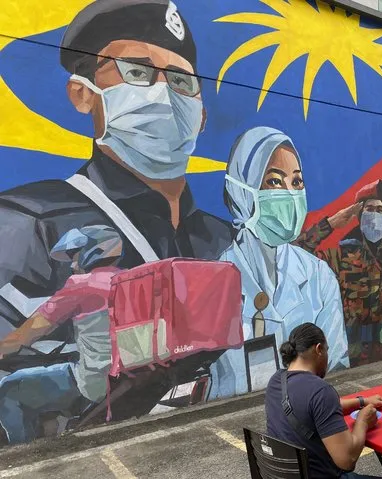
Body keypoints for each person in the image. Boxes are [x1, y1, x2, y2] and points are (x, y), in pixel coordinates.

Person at [0, 0, 233, 339]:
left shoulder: (225, 240)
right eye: (136, 72)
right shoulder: (29, 224)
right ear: (82, 94)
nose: (163, 94)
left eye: (182, 81)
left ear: (202, 117)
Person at [209, 127, 349, 399]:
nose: (290, 193)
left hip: (305, 416)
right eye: (274, 181)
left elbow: (336, 366)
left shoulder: (319, 276)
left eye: (297, 183)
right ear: (242, 190)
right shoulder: (213, 282)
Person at [0, 225, 123, 444]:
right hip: (127, 372)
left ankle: (24, 455)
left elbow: (26, 335)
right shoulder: (130, 279)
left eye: (75, 257)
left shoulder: (81, 285)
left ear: (91, 252)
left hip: (94, 382)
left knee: (10, 388)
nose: (73, 265)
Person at [295, 180, 382, 366]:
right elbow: (297, 253)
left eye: (380, 210)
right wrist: (330, 224)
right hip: (350, 358)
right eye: (369, 209)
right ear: (360, 217)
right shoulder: (342, 257)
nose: (374, 215)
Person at [265, 323, 382, 479]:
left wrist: (362, 401)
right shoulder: (320, 390)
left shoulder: (276, 381)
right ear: (319, 349)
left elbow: (319, 409)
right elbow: (347, 460)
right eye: (327, 350)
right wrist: (363, 421)